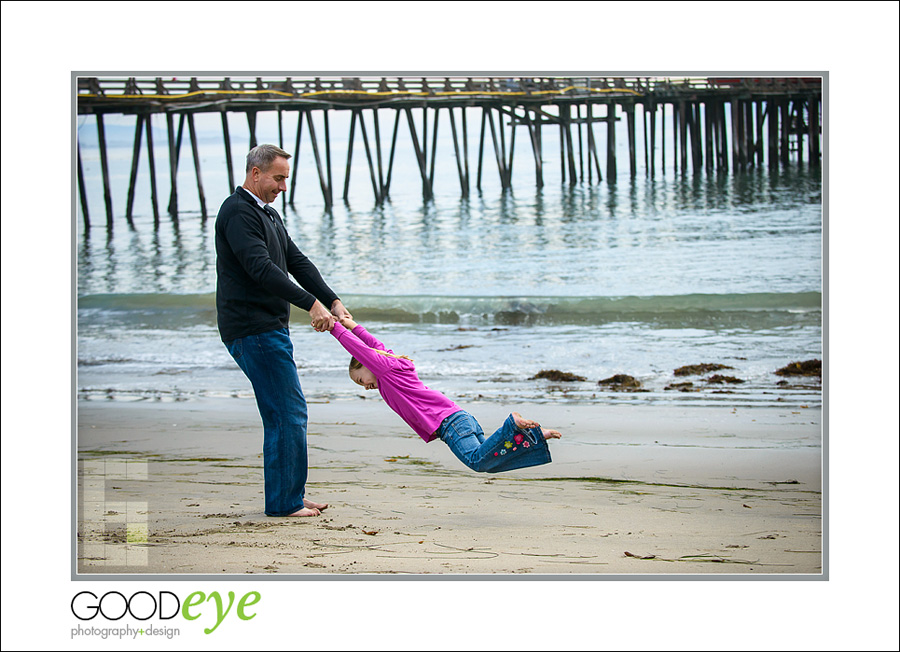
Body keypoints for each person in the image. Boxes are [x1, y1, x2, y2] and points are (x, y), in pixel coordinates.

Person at [215, 144, 350, 517]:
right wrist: (310, 304)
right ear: (255, 173)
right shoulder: (238, 212)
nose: (283, 187)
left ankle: (290, 492)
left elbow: (296, 262)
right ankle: (284, 502)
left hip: (269, 327)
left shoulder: (268, 214)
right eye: (278, 178)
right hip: (251, 327)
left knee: (286, 411)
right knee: (287, 413)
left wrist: (332, 300)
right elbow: (261, 268)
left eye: (286, 179)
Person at [327, 316, 561, 473]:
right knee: (490, 458)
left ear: (368, 363)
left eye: (361, 380)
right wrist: (354, 325)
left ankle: (513, 423)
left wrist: (335, 328)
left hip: (450, 424)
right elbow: (374, 343)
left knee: (477, 462)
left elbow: (361, 348)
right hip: (459, 418)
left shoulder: (386, 371)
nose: (366, 387)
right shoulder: (394, 365)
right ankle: (536, 434)